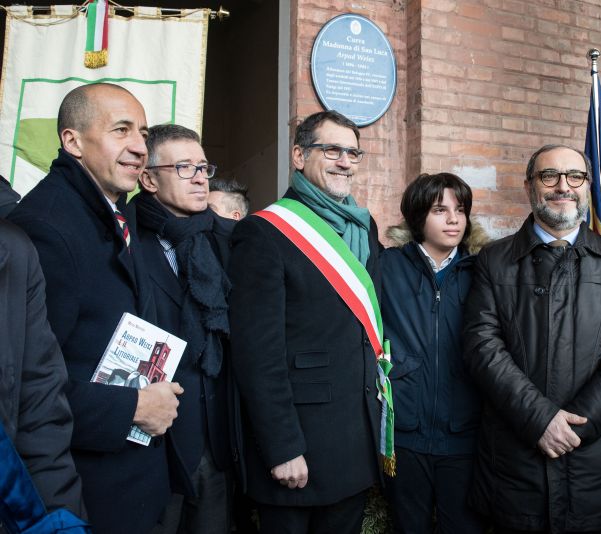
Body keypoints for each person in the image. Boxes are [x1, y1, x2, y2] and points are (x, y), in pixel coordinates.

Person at [8, 83, 185, 534]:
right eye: (121, 130)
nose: (139, 147)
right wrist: (133, 407)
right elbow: (28, 388)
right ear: (72, 141)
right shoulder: (45, 228)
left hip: (139, 480)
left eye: (143, 134)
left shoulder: (114, 212)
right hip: (90, 495)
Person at [462, 144, 601, 533]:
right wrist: (539, 420)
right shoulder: (494, 260)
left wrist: (573, 428)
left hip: (595, 460)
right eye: (549, 176)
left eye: (575, 176)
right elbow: (482, 346)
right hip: (515, 461)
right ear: (530, 186)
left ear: (586, 186)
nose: (562, 186)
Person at [228, 110, 383, 533]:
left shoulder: (363, 227)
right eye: (331, 150)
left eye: (353, 152)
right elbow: (257, 354)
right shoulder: (265, 232)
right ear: (299, 155)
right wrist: (282, 448)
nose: (345, 161)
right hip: (300, 446)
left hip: (355, 438)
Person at [132, 124, 236, 533]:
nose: (198, 177)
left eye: (203, 167)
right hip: (152, 440)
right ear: (148, 178)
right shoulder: (124, 240)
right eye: (183, 167)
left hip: (217, 438)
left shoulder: (229, 241)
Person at [381, 172, 488, 534]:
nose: (454, 219)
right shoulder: (386, 267)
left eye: (460, 210)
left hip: (464, 433)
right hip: (406, 435)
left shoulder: (483, 270)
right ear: (417, 217)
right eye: (440, 210)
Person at [0, 217, 84, 518]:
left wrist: (62, 523)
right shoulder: (46, 222)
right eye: (183, 166)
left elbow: (40, 405)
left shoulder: (16, 249)